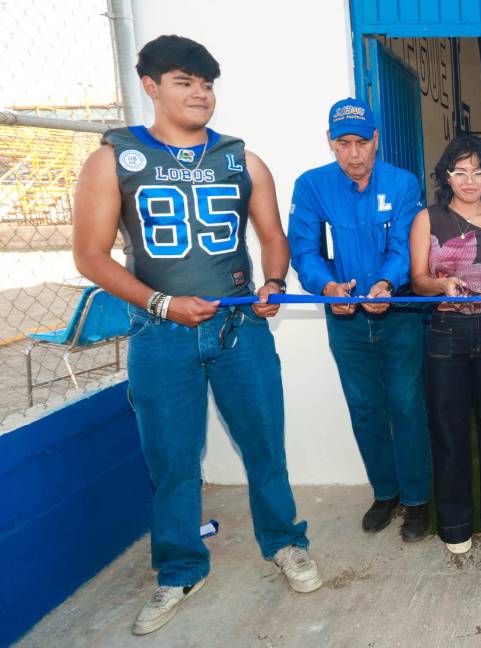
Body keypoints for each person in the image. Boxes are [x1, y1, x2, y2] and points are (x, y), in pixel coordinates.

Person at [72, 35, 321, 635]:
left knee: (265, 446)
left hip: (239, 330)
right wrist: (162, 302)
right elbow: (90, 255)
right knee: (173, 460)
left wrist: (275, 280)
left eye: (207, 83)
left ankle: (286, 543)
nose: (200, 93)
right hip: (162, 333)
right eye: (184, 81)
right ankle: (181, 569)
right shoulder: (115, 157)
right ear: (151, 86)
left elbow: (272, 235)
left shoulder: (241, 158)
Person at [287, 98, 431, 541]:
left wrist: (386, 284)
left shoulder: (403, 184)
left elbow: (407, 247)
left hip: (399, 312)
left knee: (407, 405)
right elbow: (305, 249)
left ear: (376, 140)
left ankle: (418, 499)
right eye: (343, 143)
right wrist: (327, 288)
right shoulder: (311, 186)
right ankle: (385, 493)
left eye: (361, 143)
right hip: (344, 318)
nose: (353, 154)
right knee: (366, 408)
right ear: (330, 143)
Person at [409, 136, 481, 554]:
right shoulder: (428, 219)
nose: (469, 180)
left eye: (478, 171)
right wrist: (440, 285)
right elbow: (418, 279)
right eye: (460, 172)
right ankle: (454, 522)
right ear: (447, 177)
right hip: (444, 334)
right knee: (448, 430)